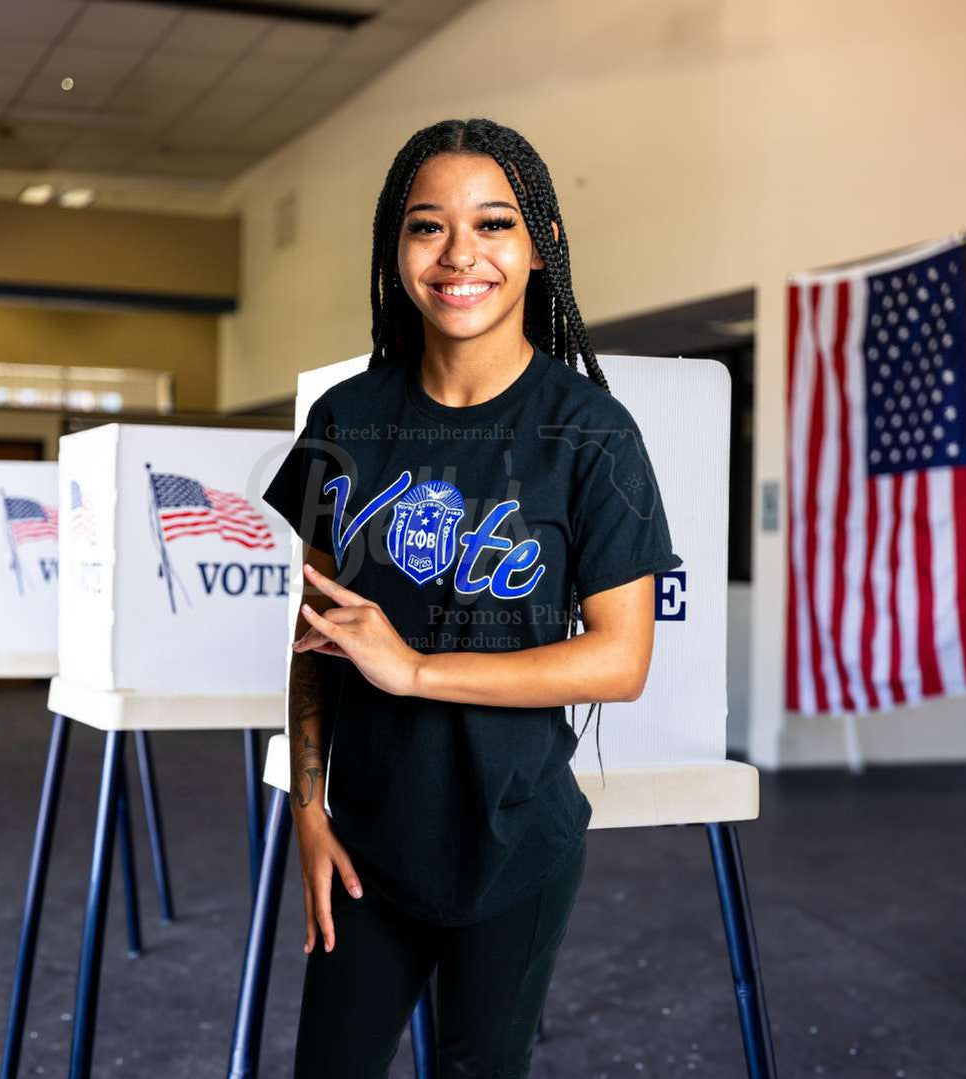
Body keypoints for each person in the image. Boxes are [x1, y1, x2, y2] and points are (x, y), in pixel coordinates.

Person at [262, 117, 683, 1078]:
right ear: (394, 249)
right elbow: (313, 630)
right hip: (365, 835)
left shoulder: (590, 434)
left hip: (515, 839)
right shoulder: (348, 420)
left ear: (540, 247)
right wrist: (308, 808)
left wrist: (411, 670)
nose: (460, 255)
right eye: (425, 227)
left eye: (493, 224)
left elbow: (619, 659)